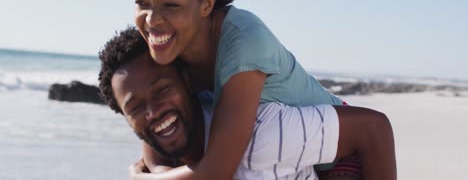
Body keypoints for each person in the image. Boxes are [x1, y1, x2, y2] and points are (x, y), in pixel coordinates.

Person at [133, 0, 391, 179]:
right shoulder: (167, 44)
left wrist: (139, 178)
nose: (153, 19)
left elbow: (215, 173)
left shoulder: (245, 42)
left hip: (341, 152)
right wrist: (156, 171)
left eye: (171, 4)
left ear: (207, 4)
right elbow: (156, 148)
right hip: (283, 161)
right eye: (143, 3)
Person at [98, 27, 396, 180]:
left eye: (162, 90)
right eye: (135, 108)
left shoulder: (261, 131)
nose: (153, 111)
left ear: (188, 82)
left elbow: (374, 129)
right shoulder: (168, 142)